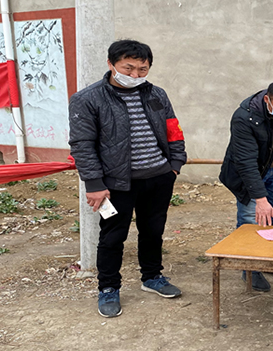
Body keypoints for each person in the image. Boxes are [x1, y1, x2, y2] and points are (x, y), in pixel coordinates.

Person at [69, 39, 187, 318]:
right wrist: (94, 184)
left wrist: (175, 165)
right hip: (115, 184)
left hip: (158, 177)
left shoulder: (156, 94)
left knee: (153, 231)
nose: (135, 75)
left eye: (142, 69)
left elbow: (173, 130)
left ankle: (152, 277)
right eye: (128, 68)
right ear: (111, 64)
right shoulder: (88, 99)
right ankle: (108, 288)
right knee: (112, 237)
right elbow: (82, 145)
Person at [219, 80, 273, 292]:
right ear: (268, 100)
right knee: (250, 221)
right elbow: (245, 161)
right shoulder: (245, 117)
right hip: (250, 171)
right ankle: (251, 269)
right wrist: (260, 198)